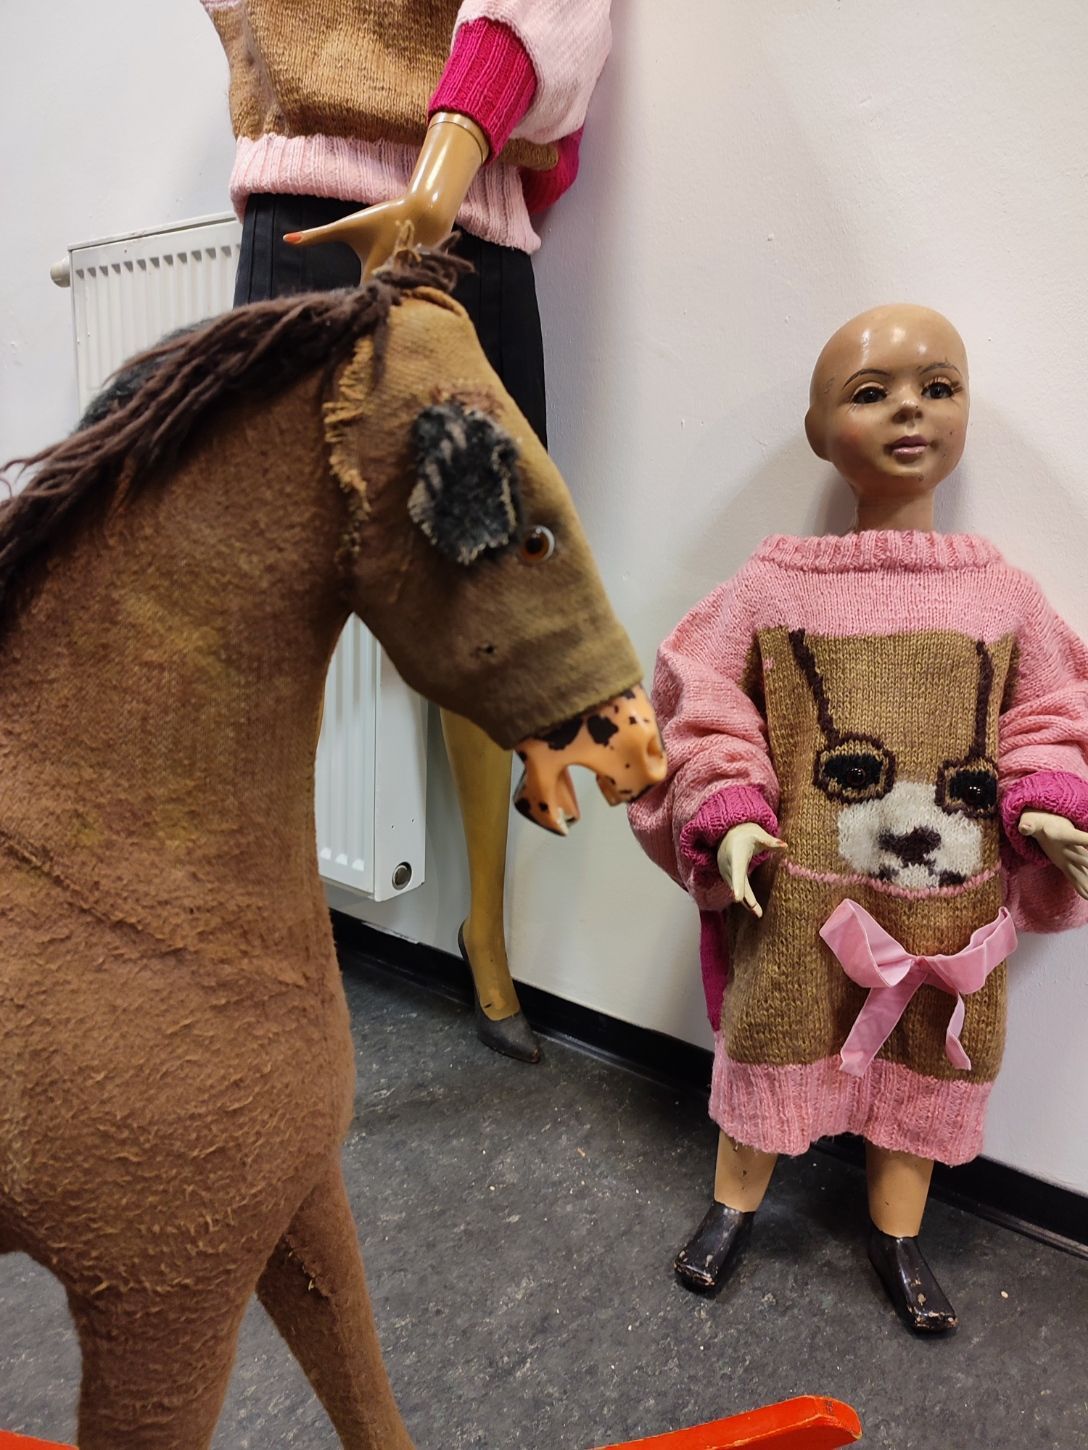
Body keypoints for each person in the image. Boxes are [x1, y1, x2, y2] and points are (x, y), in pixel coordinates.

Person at [629, 305, 1088, 1332]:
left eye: (937, 386)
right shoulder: (771, 589)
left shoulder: (1004, 598)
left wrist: (1049, 807)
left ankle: (897, 1235)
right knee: (774, 1030)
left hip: (947, 909)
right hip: (798, 899)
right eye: (870, 392)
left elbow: (1053, 713)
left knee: (928, 1053)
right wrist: (728, 807)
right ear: (817, 429)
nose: (909, 411)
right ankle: (733, 1204)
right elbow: (702, 700)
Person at [201, 0, 613, 1060]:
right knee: (274, 609)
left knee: (489, 599)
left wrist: (442, 177)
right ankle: (262, 931)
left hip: (465, 219)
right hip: (301, 216)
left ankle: (489, 933)